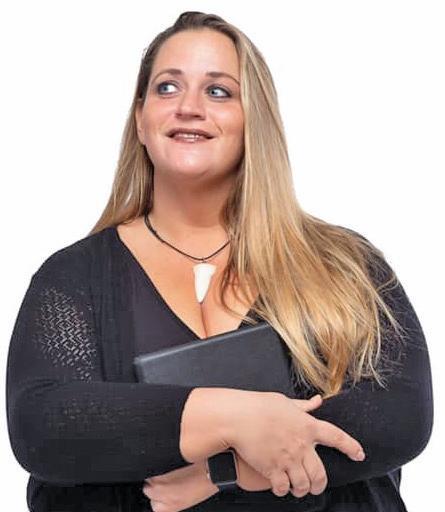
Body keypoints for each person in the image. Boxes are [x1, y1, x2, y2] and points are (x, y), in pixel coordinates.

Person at [6, 10, 433, 512]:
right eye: (167, 87)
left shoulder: (345, 264)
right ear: (140, 118)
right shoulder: (73, 277)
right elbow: (45, 424)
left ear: (254, 119)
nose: (189, 107)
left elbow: (398, 413)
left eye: (218, 91)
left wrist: (228, 472)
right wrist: (233, 416)